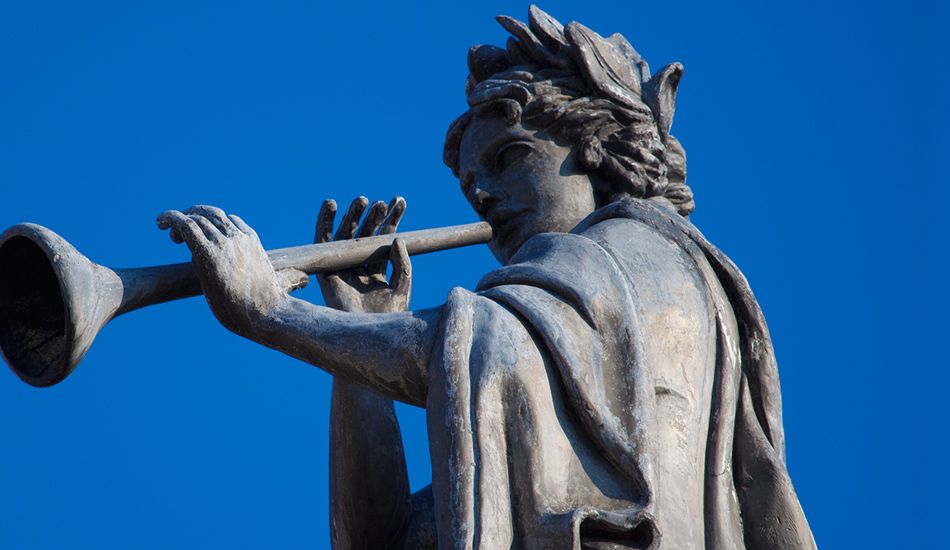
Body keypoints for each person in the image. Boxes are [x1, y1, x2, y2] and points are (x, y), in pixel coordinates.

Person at [155, 6, 814, 549]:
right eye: (474, 186)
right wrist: (362, 350)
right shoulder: (583, 343)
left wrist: (267, 311)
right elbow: (381, 538)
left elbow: (484, 344)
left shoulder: (633, 249)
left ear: (597, 145)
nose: (487, 196)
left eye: (509, 157)